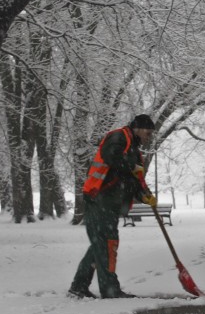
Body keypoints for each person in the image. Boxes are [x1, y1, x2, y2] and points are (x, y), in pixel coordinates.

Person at [68, 114, 158, 299]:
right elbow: (112, 157)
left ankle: (78, 286)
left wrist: (146, 195)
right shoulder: (119, 137)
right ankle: (110, 290)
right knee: (108, 244)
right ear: (138, 128)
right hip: (99, 198)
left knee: (99, 245)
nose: (149, 137)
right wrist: (132, 166)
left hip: (109, 202)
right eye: (148, 133)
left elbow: (134, 180)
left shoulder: (134, 150)